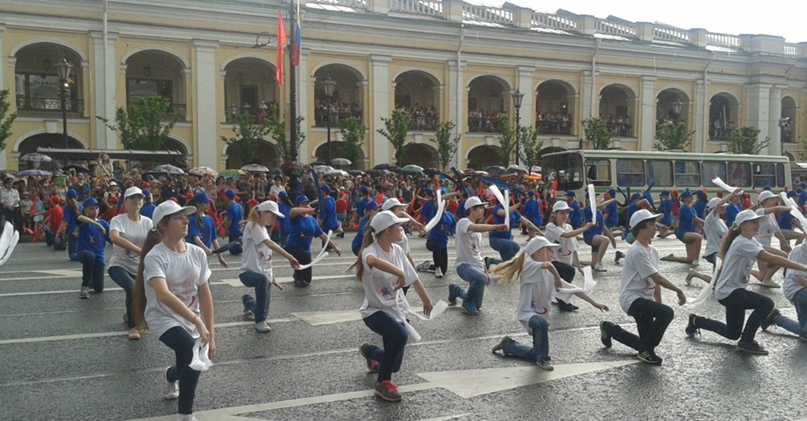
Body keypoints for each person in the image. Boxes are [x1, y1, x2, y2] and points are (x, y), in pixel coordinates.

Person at [132, 201, 215, 421]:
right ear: (163, 225)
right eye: (179, 217)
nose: (186, 220)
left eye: (186, 216)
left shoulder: (197, 253)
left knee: (185, 364)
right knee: (191, 353)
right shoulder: (155, 256)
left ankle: (171, 374)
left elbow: (205, 295)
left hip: (190, 317)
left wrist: (212, 335)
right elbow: (163, 295)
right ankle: (185, 415)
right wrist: (198, 321)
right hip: (163, 318)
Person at [685, 209, 807, 355]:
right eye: (753, 222)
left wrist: (780, 254)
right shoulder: (742, 243)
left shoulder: (749, 240)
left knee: (732, 333)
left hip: (730, 291)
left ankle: (696, 321)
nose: (758, 225)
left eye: (758, 222)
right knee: (766, 303)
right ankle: (747, 341)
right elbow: (770, 258)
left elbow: (766, 253)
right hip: (730, 292)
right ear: (743, 225)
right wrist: (802, 266)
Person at [491, 237, 608, 370]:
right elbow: (548, 265)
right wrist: (557, 278)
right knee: (541, 324)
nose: (553, 254)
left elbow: (572, 288)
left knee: (535, 351)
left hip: (541, 314)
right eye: (549, 250)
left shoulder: (547, 272)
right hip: (528, 313)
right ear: (538, 252)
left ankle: (509, 345)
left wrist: (594, 302)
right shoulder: (529, 265)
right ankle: (543, 360)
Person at [355, 210, 433, 402]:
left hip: (395, 312)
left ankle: (369, 351)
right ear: (387, 230)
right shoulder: (370, 251)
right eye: (398, 226)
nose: (402, 228)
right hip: (375, 311)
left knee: (394, 364)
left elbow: (413, 278)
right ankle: (382, 383)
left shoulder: (397, 250)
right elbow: (372, 262)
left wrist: (426, 300)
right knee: (400, 335)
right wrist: (399, 272)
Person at [600, 209, 687, 365]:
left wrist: (657, 304)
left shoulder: (652, 251)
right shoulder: (637, 251)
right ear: (640, 228)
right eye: (651, 225)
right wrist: (678, 291)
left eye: (655, 224)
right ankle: (646, 351)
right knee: (667, 313)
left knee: (643, 342)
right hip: (632, 299)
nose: (655, 228)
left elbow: (655, 281)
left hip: (644, 299)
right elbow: (657, 277)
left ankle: (609, 328)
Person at [239, 200, 300, 332]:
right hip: (248, 273)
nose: (274, 219)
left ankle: (248, 301)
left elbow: (266, 258)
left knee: (263, 308)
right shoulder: (253, 226)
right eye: (272, 215)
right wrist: (289, 257)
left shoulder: (263, 229)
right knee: (262, 288)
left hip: (263, 275)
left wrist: (272, 278)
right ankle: (259, 321)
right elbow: (270, 244)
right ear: (263, 213)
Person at [449, 196, 508, 316]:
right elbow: (476, 228)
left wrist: (486, 272)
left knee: (478, 304)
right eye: (480, 208)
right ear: (472, 209)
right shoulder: (463, 222)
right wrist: (496, 227)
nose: (483, 210)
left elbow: (479, 254)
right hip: (464, 266)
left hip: (478, 268)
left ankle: (456, 290)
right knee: (479, 280)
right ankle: (466, 302)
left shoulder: (478, 233)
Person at [108, 187, 153, 339]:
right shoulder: (118, 220)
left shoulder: (147, 222)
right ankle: (135, 326)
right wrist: (139, 250)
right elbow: (115, 238)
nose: (136, 200)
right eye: (132, 198)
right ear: (125, 202)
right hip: (119, 265)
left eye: (139, 198)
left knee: (138, 293)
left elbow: (154, 242)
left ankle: (129, 314)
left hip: (140, 268)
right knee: (133, 289)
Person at [685, 190, 741, 285]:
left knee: (716, 282)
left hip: (722, 251)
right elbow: (719, 204)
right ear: (714, 208)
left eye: (724, 207)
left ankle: (694, 274)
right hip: (712, 252)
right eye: (722, 207)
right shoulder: (710, 219)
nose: (723, 209)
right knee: (722, 264)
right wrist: (731, 195)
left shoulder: (721, 221)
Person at [544, 200, 592, 311]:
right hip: (552, 261)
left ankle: (561, 298)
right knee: (569, 271)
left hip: (565, 260)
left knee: (565, 278)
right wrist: (584, 228)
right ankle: (562, 301)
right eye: (562, 213)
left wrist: (579, 267)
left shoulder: (569, 227)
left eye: (567, 212)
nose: (565, 215)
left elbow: (573, 248)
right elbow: (565, 235)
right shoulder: (550, 226)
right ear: (555, 214)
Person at [284, 195, 341, 288]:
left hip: (306, 250)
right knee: (301, 260)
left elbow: (322, 235)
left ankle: (297, 274)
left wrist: (335, 246)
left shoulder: (312, 220)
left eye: (307, 203)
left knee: (307, 279)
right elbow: (293, 211)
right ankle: (298, 276)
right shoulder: (295, 217)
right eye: (303, 204)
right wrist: (312, 210)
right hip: (294, 247)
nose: (306, 205)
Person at [762, 240, 807, 341]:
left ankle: (776, 318)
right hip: (796, 289)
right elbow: (799, 278)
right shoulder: (800, 251)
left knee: (804, 331)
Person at [753, 190, 792, 287]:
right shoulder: (760, 211)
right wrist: (790, 208)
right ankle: (768, 278)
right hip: (758, 244)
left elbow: (777, 231)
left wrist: (785, 244)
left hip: (766, 244)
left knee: (763, 276)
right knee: (783, 256)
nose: (774, 201)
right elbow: (776, 208)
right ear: (764, 201)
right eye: (771, 199)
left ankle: (748, 270)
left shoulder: (771, 215)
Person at [76, 197, 110, 299]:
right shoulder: (84, 222)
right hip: (84, 252)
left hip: (99, 257)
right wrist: (97, 224)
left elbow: (112, 237)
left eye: (96, 208)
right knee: (89, 257)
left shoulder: (104, 223)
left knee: (98, 288)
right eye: (91, 209)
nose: (95, 211)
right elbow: (80, 218)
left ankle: (91, 279)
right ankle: (85, 286)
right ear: (86, 210)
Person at [186, 192, 228, 268]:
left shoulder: (209, 219)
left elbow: (214, 239)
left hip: (204, 255)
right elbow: (196, 238)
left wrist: (220, 257)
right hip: (193, 254)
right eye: (206, 203)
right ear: (198, 204)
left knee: (205, 277)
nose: (209, 205)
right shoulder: (192, 219)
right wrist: (206, 249)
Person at [661, 190, 702, 265]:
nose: (692, 197)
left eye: (692, 196)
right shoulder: (684, 208)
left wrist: (703, 229)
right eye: (690, 196)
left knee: (690, 260)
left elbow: (696, 221)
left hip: (690, 232)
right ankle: (697, 260)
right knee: (698, 237)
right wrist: (706, 223)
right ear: (685, 198)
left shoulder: (691, 209)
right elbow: (694, 219)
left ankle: (672, 258)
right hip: (683, 233)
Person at [583, 197, 617, 272]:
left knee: (593, 264)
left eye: (595, 199)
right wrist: (612, 199)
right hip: (589, 235)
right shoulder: (587, 209)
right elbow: (600, 206)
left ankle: (576, 262)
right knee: (605, 240)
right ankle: (599, 263)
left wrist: (612, 238)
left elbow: (603, 226)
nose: (595, 201)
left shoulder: (598, 212)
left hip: (596, 236)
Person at [425, 209, 455, 279]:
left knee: (444, 270)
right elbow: (437, 205)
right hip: (432, 241)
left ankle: (429, 266)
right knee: (436, 247)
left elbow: (454, 225)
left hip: (443, 243)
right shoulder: (436, 214)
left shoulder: (449, 215)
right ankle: (437, 267)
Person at [58, 189, 84, 260]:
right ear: (77, 197)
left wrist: (58, 232)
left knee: (72, 255)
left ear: (67, 198)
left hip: (72, 231)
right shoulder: (81, 206)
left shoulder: (67, 207)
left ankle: (80, 256)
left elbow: (65, 221)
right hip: (81, 230)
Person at [221, 189, 243, 256]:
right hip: (239, 228)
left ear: (227, 197)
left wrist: (225, 230)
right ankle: (240, 246)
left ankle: (240, 248)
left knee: (233, 250)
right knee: (236, 244)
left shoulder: (230, 207)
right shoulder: (238, 205)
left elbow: (229, 220)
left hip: (233, 229)